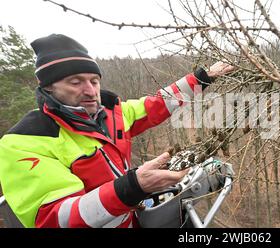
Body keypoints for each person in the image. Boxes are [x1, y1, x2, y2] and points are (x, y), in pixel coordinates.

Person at [0, 34, 235, 228]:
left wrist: (201, 79)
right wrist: (132, 187)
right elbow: (55, 219)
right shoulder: (25, 142)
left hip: (131, 217)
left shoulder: (111, 114)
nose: (91, 90)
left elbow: (157, 104)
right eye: (76, 82)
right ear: (48, 86)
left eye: (94, 80)